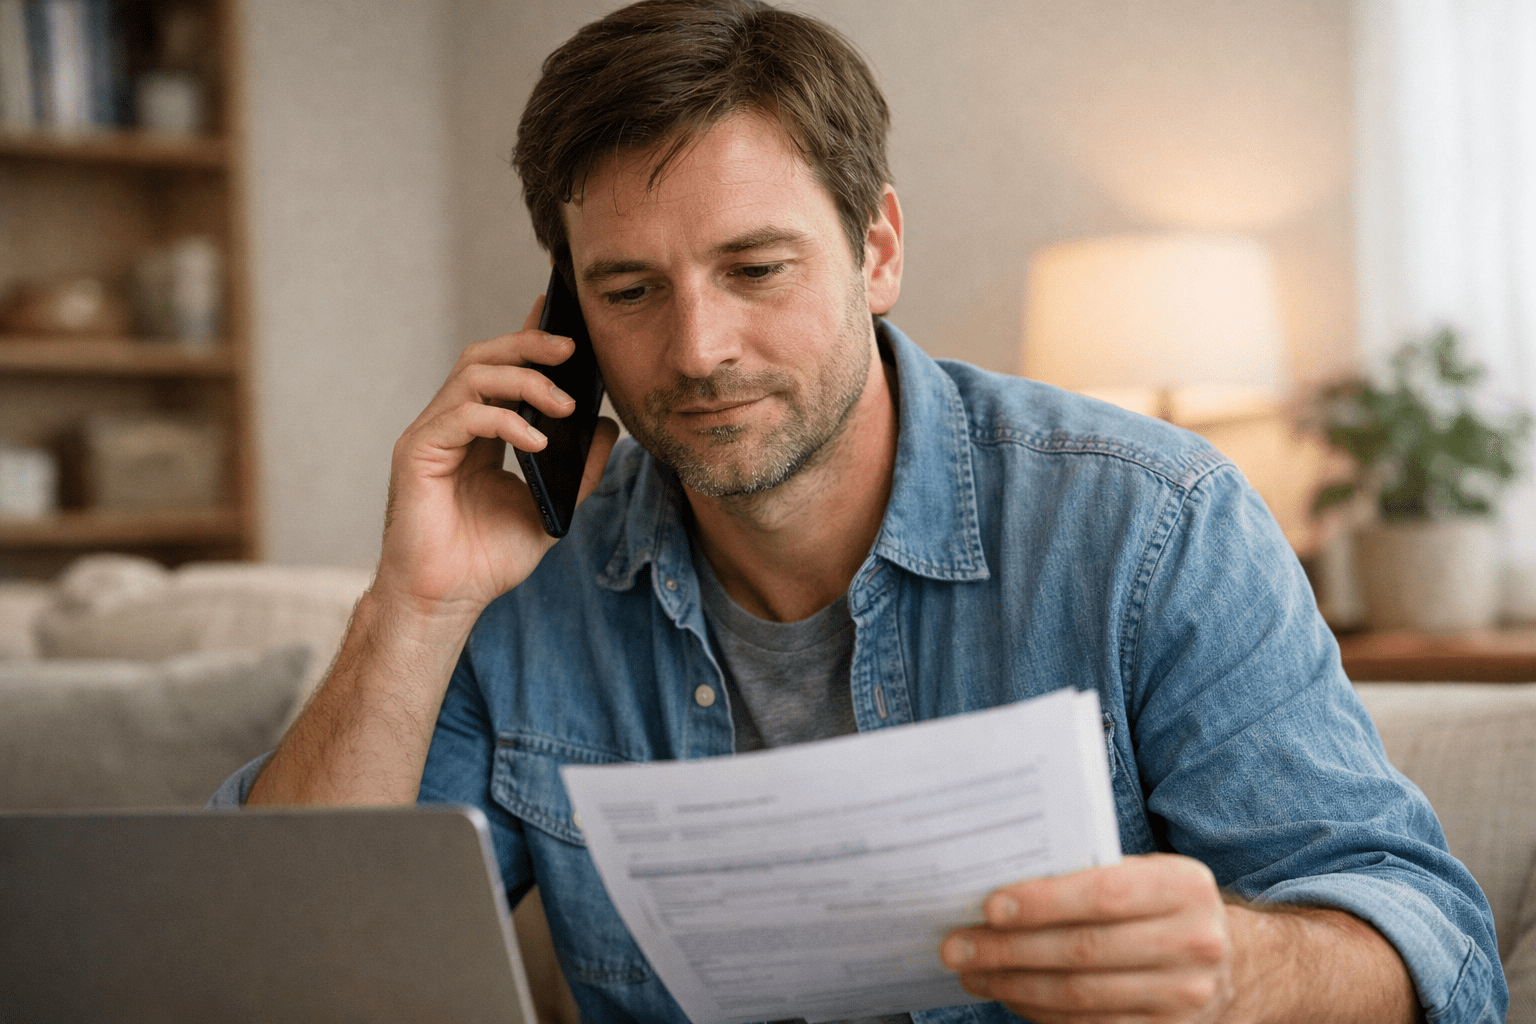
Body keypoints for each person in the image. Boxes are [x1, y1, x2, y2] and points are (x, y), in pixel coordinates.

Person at [213, 2, 1505, 1022]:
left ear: (877, 248)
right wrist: (417, 604)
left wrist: (1236, 973)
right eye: (629, 290)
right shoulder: (523, 584)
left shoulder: (1151, 523)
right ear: (567, 318)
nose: (700, 347)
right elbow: (269, 969)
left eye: (755, 267)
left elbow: (1427, 943)